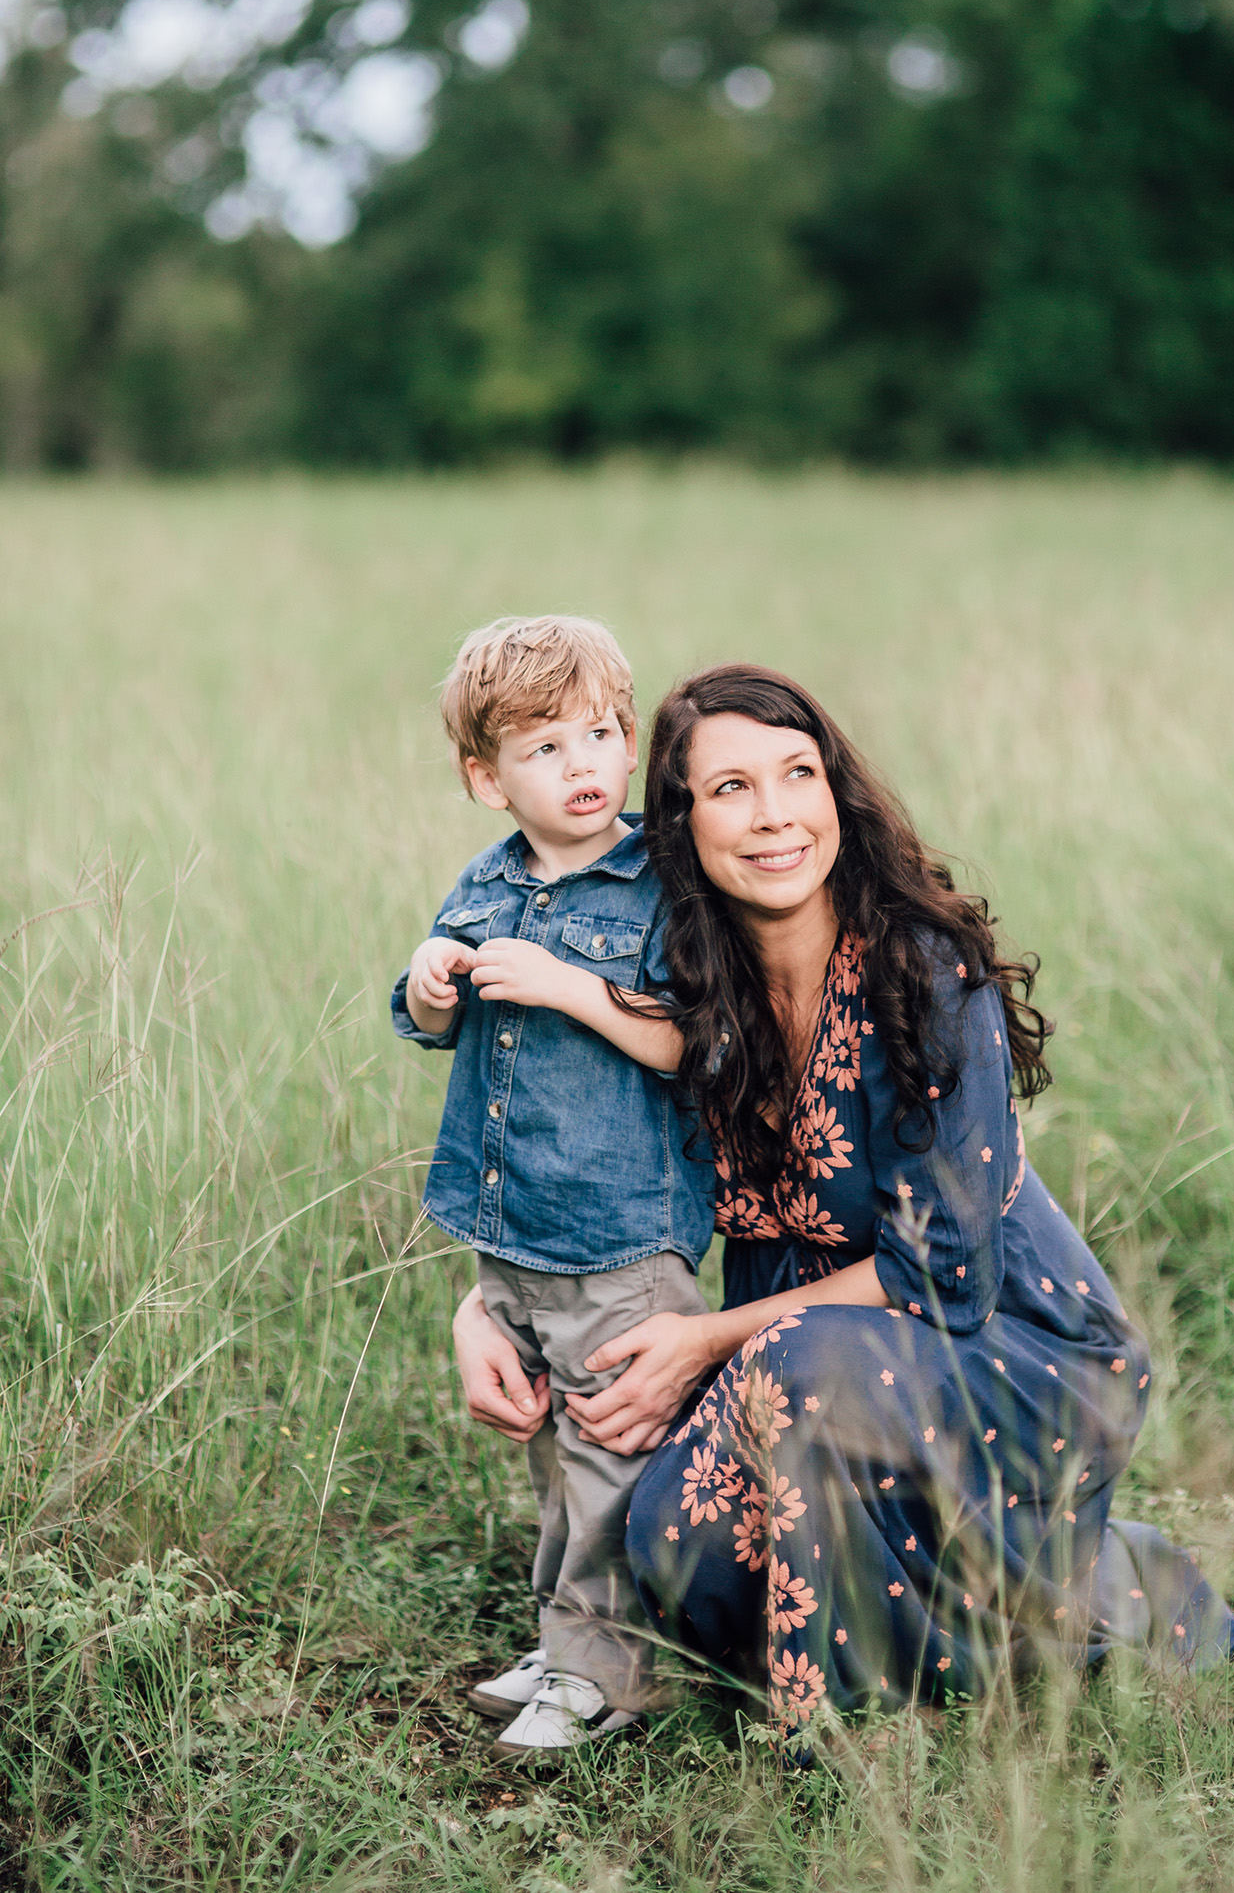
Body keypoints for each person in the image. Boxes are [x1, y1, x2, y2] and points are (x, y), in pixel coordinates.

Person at [454, 662, 1234, 1734]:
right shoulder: (680, 982)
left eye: (798, 774)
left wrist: (706, 1344)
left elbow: (947, 1271)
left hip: (1003, 1349)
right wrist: (484, 1307)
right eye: (729, 789)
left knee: (799, 1366)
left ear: (838, 793)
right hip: (795, 1370)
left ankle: (1007, 1625)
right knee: (675, 1552)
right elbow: (578, 1165)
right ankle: (1012, 1601)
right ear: (677, 824)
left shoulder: (923, 973)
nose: (774, 815)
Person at [393, 614, 714, 1754]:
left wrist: (574, 987)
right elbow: (429, 1020)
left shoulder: (661, 888)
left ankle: (610, 1671)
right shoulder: (489, 880)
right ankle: (569, 1640)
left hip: (622, 1237)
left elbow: (693, 1041)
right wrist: (435, 985)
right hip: (515, 1225)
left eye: (601, 734)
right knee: (556, 1446)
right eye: (545, 749)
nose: (584, 765)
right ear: (487, 780)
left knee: (611, 1451)